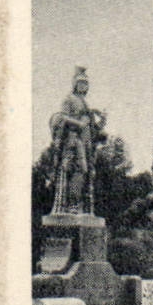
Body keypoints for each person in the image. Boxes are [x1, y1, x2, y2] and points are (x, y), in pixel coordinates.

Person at [48, 67, 98, 215]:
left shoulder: (85, 103)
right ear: (75, 84)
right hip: (73, 140)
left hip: (86, 141)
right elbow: (62, 117)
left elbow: (92, 127)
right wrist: (79, 123)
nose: (83, 86)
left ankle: (78, 204)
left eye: (85, 83)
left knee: (84, 172)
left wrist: (100, 122)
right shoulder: (69, 99)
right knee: (78, 169)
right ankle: (72, 204)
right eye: (80, 83)